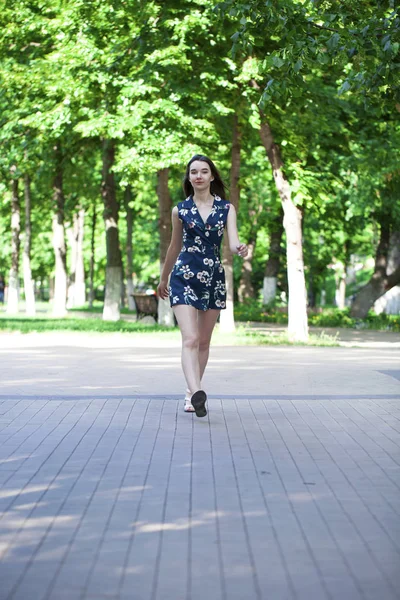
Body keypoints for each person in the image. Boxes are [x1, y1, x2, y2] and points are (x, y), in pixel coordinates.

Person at [157, 155, 248, 417]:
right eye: (193, 172)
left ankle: (190, 394)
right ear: (189, 178)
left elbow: (232, 243)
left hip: (212, 278)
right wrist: (164, 278)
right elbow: (174, 246)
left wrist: (240, 249)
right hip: (184, 276)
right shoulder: (180, 210)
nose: (198, 176)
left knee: (205, 341)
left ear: (212, 177)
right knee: (191, 338)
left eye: (204, 171)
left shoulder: (226, 209)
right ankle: (197, 391)